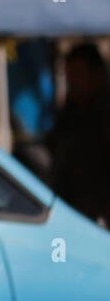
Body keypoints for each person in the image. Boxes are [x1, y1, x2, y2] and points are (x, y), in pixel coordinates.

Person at [45, 42, 110, 228]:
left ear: (98, 75)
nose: (73, 82)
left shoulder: (103, 112)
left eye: (78, 75)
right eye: (69, 76)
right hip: (73, 211)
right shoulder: (70, 112)